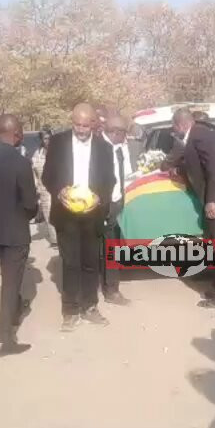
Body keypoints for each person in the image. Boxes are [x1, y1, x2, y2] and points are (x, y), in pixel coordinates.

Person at [162, 108, 215, 317]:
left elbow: (214, 169)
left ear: (182, 124)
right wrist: (180, 170)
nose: (174, 131)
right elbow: (197, 165)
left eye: (174, 127)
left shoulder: (200, 135)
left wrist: (211, 200)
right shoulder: (197, 136)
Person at [42, 103, 115, 332]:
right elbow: (47, 176)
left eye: (85, 126)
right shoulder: (58, 142)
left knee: (91, 263)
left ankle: (90, 306)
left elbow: (110, 180)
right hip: (66, 214)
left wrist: (99, 198)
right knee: (71, 263)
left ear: (93, 123)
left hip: (92, 214)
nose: (81, 130)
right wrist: (59, 191)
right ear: (72, 121)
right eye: (77, 125)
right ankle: (71, 310)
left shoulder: (104, 148)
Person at [0, 114, 38, 356]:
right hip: (15, 232)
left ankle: (12, 313)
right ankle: (3, 338)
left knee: (7, 277)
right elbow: (30, 203)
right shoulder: (21, 163)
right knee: (10, 284)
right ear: (16, 134)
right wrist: (26, 216)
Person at [99, 113, 135, 306]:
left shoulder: (118, 149)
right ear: (116, 132)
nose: (126, 137)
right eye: (124, 133)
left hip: (116, 202)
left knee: (112, 247)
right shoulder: (100, 149)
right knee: (110, 249)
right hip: (105, 206)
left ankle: (109, 284)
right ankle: (111, 290)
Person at [32, 129, 57, 247]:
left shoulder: (59, 151)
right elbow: (34, 172)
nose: (48, 141)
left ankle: (62, 238)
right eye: (45, 138)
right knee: (48, 214)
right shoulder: (38, 153)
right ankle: (54, 240)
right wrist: (36, 186)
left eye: (49, 138)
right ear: (42, 140)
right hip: (44, 189)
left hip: (58, 188)